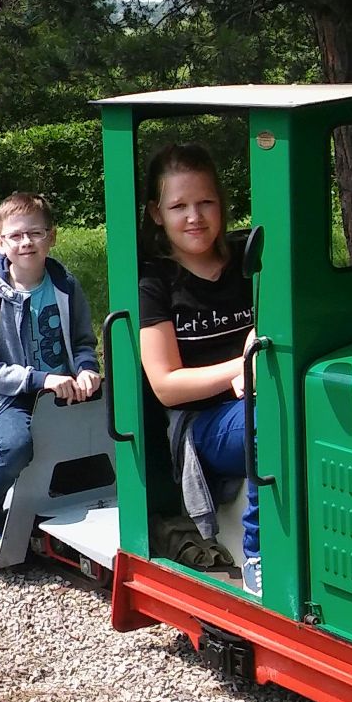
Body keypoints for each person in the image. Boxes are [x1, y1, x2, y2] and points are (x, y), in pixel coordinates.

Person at [137, 143, 261, 594]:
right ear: (157, 213)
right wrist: (240, 368)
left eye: (205, 202)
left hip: (261, 396)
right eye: (179, 206)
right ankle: (260, 553)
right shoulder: (154, 283)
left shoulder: (249, 263)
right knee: (267, 420)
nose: (195, 216)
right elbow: (166, 385)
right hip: (201, 425)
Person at [0, 192, 101, 558]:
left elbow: (83, 340)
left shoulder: (66, 285)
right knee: (16, 444)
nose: (26, 242)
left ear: (51, 237)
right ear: (0, 242)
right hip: (12, 397)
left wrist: (87, 368)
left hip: (64, 392)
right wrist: (40, 380)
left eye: (35, 233)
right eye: (16, 235)